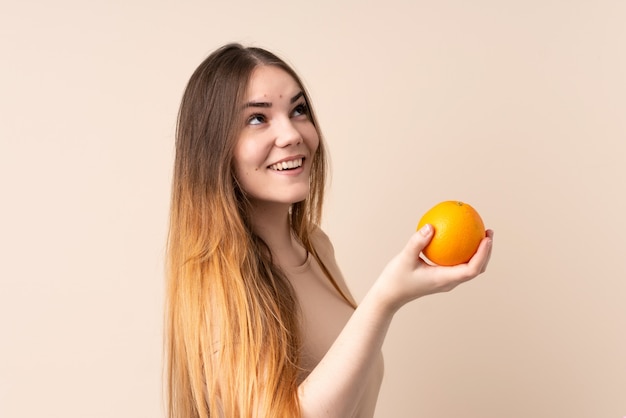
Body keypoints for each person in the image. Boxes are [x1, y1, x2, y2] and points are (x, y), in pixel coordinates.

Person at [165, 43, 494, 418]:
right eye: (258, 118)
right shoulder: (217, 278)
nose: (291, 134)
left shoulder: (316, 246)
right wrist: (385, 299)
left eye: (298, 110)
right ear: (214, 148)